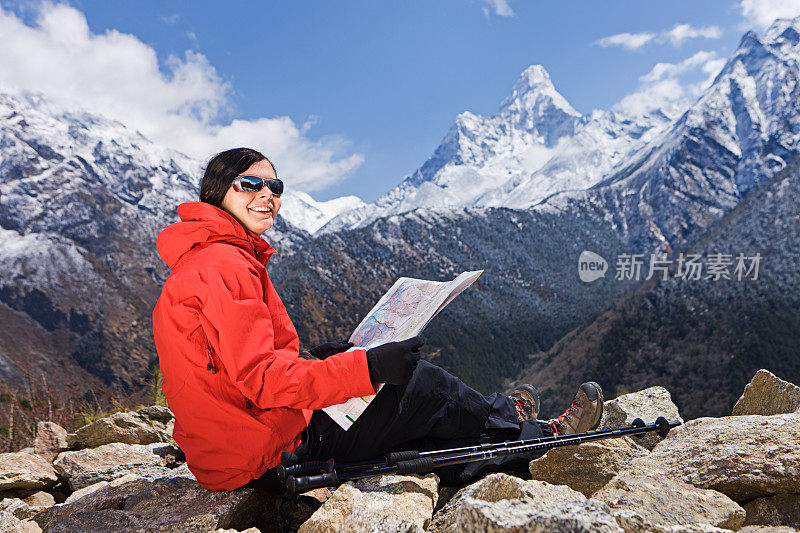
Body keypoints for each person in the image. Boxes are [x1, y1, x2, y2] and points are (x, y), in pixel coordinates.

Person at [152, 147, 604, 492]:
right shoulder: (224, 267)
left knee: (411, 430)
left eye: (276, 187)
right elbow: (264, 379)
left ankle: (502, 431)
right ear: (216, 193)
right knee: (423, 386)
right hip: (269, 450)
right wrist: (366, 368)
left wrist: (316, 358)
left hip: (231, 449)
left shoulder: (205, 260)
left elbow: (232, 365)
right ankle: (538, 433)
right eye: (250, 184)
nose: (267, 195)